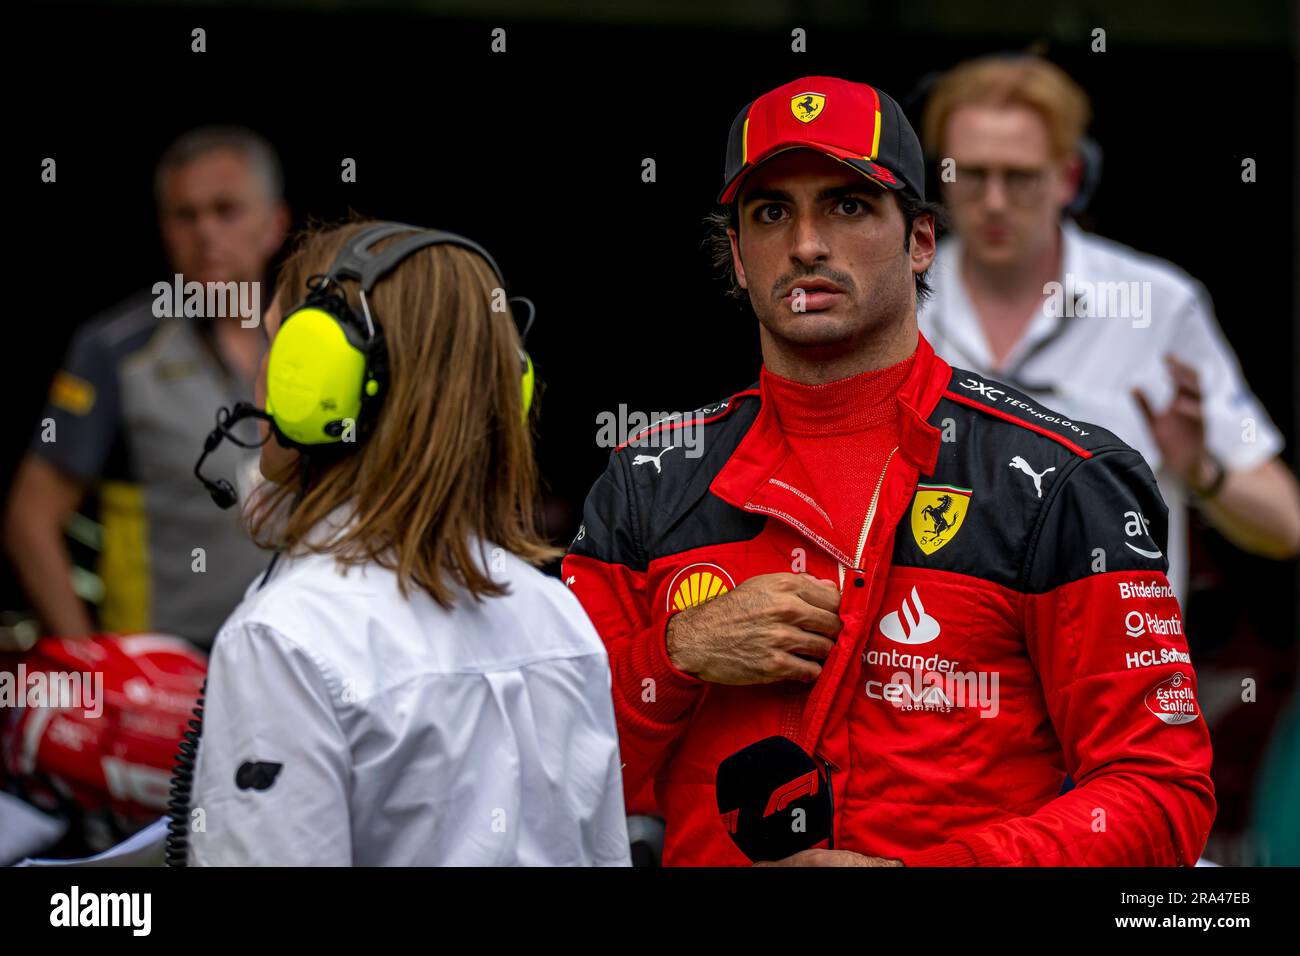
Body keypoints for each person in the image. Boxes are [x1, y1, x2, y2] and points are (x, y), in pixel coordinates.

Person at [564, 75, 1215, 866]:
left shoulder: (1066, 480)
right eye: (771, 212)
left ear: (921, 241)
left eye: (848, 205)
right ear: (737, 256)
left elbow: (1160, 792)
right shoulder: (648, 480)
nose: (807, 243)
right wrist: (673, 654)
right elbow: (555, 776)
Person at [181, 220, 630, 866]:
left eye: (282, 353)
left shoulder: (284, 639)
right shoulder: (558, 616)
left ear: (328, 384)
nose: (266, 380)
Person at [916, 54, 1300, 604]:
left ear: (1068, 177)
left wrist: (1202, 470)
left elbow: (1285, 524)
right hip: (939, 675)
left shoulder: (1159, 305)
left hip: (1120, 673)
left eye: (1020, 177)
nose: (994, 201)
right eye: (973, 174)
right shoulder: (898, 303)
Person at [4, 126, 290, 647]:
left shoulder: (315, 342)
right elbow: (29, 518)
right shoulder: (118, 350)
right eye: (186, 215)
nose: (206, 232)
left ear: (274, 224)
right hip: (168, 675)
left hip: (295, 662)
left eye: (226, 210)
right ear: (164, 228)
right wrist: (96, 671)